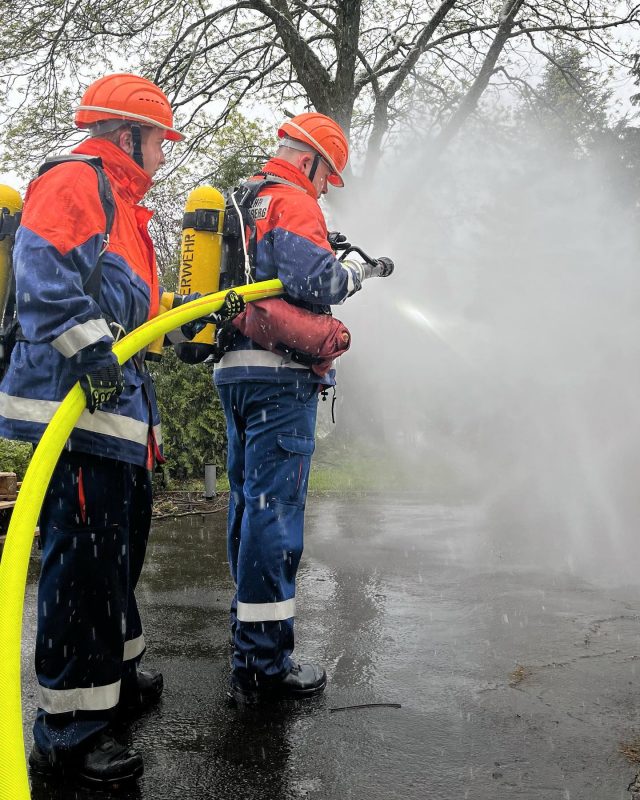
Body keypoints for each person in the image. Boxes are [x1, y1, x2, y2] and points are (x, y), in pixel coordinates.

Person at [0, 73, 207, 787]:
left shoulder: (129, 211)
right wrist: (91, 350)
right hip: (75, 417)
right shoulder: (77, 179)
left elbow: (134, 314)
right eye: (158, 141)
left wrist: (185, 319)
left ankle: (114, 680)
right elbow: (44, 277)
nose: (163, 154)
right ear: (128, 136)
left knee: (117, 558)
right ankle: (70, 731)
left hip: (116, 418)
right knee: (84, 574)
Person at [214, 112, 394, 705]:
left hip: (237, 371)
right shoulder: (291, 200)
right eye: (326, 177)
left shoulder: (247, 201)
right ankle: (265, 667)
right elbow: (316, 284)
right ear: (310, 160)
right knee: (274, 517)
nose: (324, 189)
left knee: (248, 507)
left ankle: (248, 644)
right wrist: (351, 274)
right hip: (278, 379)